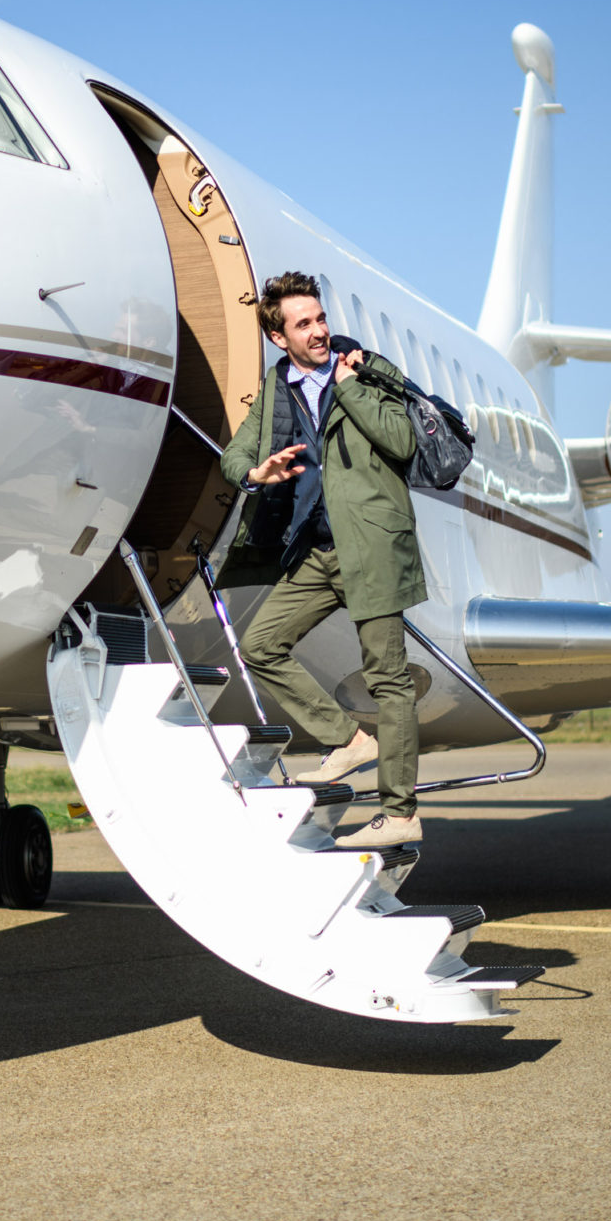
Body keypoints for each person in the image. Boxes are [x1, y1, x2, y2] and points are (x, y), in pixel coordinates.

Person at [217, 272, 426, 849]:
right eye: (303, 324)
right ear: (279, 337)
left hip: (373, 544)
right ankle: (349, 740)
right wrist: (256, 473)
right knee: (259, 645)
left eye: (320, 318)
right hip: (316, 550)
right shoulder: (278, 384)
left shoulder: (364, 367)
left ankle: (400, 810)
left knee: (389, 678)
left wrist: (350, 385)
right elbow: (234, 455)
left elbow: (402, 442)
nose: (318, 331)